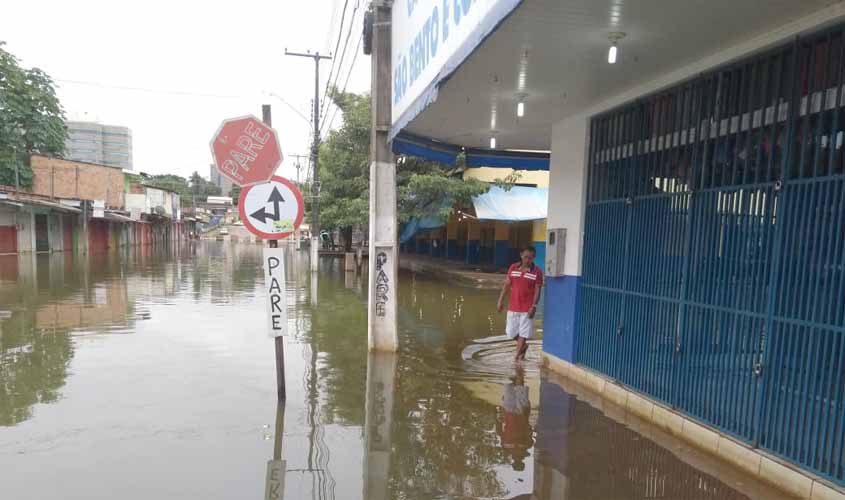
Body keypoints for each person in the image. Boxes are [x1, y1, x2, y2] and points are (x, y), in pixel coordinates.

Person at [497, 246, 543, 361]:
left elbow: (538, 290)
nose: (528, 260)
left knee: (523, 333)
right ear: (521, 255)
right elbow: (506, 285)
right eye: (526, 257)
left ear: (533, 258)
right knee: (510, 332)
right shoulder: (513, 267)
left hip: (527, 309)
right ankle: (524, 346)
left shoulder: (537, 271)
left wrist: (534, 306)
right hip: (513, 307)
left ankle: (516, 358)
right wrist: (500, 301)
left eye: (530, 258)